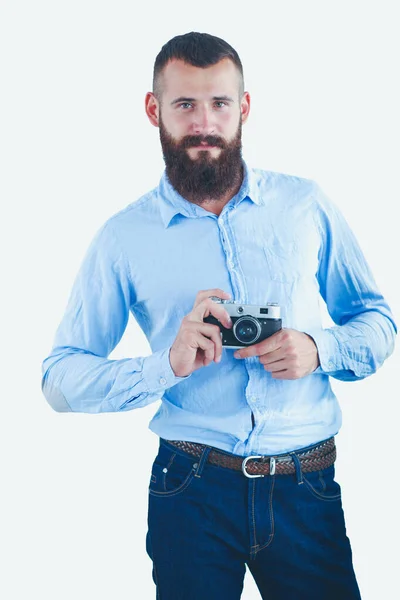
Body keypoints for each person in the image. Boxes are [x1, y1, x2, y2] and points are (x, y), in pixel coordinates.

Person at [41, 31, 397, 599]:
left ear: (244, 108)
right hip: (191, 488)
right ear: (154, 110)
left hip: (307, 485)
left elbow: (379, 323)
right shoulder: (123, 238)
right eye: (185, 104)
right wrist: (168, 365)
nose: (204, 122)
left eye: (220, 103)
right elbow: (59, 380)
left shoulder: (306, 205)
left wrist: (318, 349)